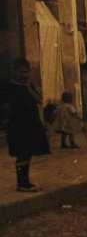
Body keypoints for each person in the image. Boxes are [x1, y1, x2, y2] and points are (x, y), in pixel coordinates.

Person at [6, 58, 50, 192]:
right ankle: (22, 184)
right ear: (14, 72)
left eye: (26, 72)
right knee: (22, 154)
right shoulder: (8, 87)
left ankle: (24, 182)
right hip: (17, 126)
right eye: (21, 72)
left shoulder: (29, 86)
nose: (24, 75)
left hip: (31, 125)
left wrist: (29, 87)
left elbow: (40, 100)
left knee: (27, 154)